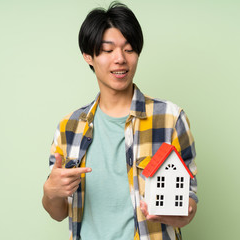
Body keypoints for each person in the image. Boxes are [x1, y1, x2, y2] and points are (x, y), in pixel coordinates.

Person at [42, 2, 198, 240]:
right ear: (88, 56)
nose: (120, 59)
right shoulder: (69, 127)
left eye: (129, 49)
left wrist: (177, 214)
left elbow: (189, 204)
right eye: (108, 50)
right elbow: (58, 212)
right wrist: (51, 192)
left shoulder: (171, 119)